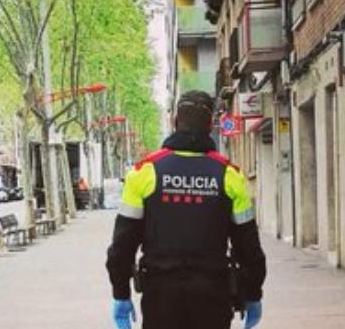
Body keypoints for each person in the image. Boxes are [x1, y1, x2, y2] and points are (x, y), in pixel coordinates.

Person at [105, 91, 266, 329]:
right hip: (213, 297)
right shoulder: (230, 176)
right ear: (211, 124)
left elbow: (122, 245)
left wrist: (120, 293)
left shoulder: (144, 172)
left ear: (174, 122)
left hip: (160, 297)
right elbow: (249, 246)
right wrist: (253, 293)